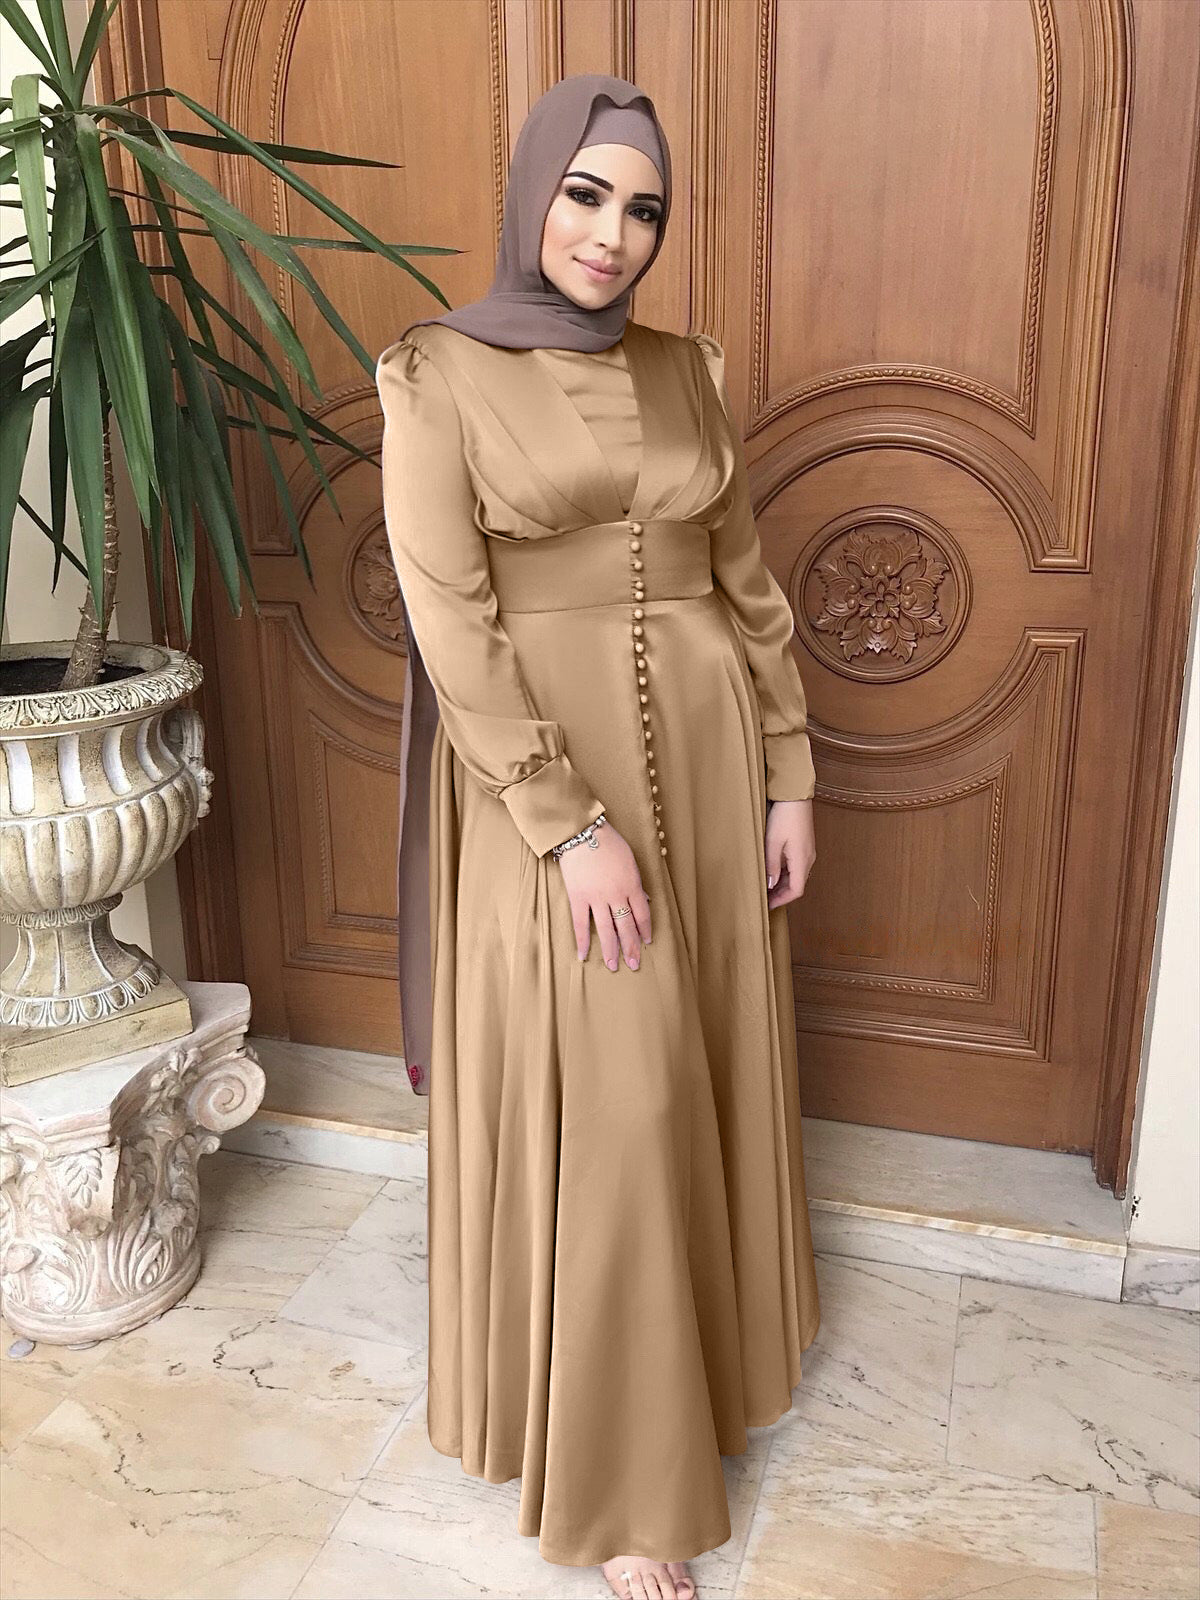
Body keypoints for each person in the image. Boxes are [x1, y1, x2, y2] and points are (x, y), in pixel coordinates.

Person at [375, 72, 820, 1600]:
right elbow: (454, 620)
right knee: (617, 1096)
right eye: (585, 194)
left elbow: (744, 585)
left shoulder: (689, 370)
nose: (610, 234)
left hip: (709, 765)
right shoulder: (436, 373)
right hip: (542, 792)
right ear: (534, 191)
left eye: (642, 209)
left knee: (695, 1065)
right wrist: (568, 830)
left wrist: (790, 771)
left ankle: (703, 1368)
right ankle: (630, 1486)